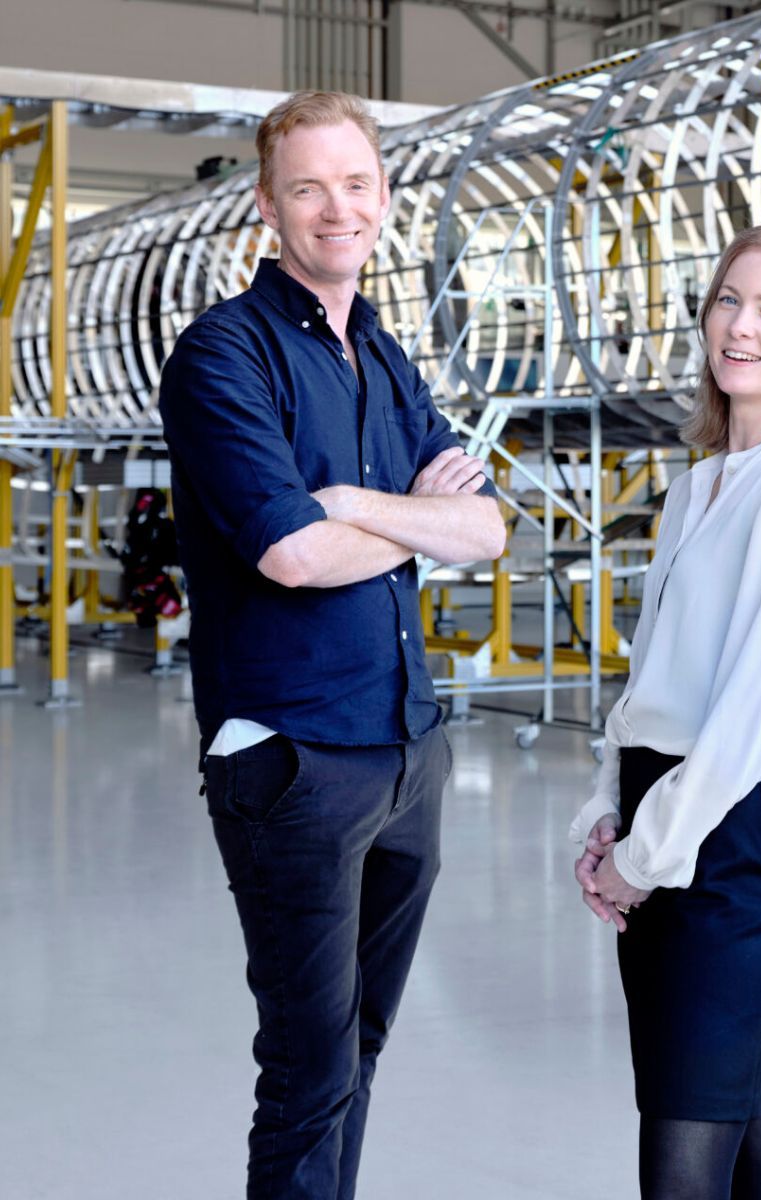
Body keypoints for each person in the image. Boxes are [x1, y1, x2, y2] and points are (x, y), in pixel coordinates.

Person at [157, 91, 506, 1197]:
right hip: (295, 764)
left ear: (384, 199)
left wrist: (354, 499)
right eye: (308, 187)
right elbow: (292, 557)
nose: (335, 208)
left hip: (407, 754)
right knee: (308, 1070)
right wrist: (409, 521)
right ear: (268, 206)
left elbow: (488, 530)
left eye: (355, 184)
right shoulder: (224, 356)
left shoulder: (388, 359)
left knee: (357, 1054)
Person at [567, 222, 761, 1198]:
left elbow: (748, 711)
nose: (741, 326)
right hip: (665, 822)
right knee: (742, 1149)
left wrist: (641, 860)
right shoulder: (693, 490)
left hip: (739, 850)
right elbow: (648, 684)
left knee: (682, 1168)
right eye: (730, 299)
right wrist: (603, 818)